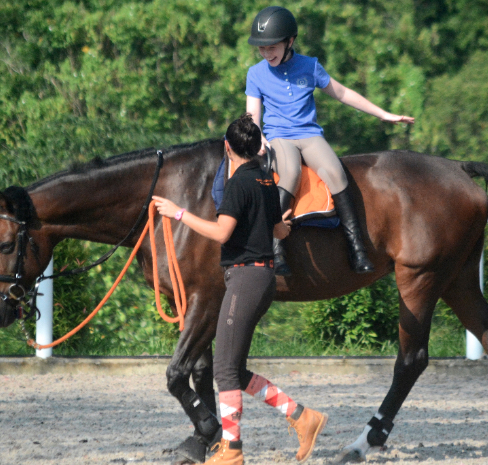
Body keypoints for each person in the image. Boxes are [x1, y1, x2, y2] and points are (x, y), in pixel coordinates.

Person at [153, 114, 328, 465]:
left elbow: (221, 234)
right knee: (233, 368)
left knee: (226, 370)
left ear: (227, 147)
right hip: (258, 279)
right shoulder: (266, 180)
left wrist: (177, 213)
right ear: (258, 147)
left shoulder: (237, 184)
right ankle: (302, 417)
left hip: (246, 279)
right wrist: (280, 225)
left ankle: (231, 451)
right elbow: (279, 231)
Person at [246, 6, 415, 276]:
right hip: (280, 136)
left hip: (309, 134)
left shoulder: (310, 66)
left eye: (272, 47)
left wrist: (383, 114)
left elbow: (342, 93)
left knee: (336, 172)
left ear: (290, 41)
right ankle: (275, 249)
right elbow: (252, 113)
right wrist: (259, 138)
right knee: (289, 173)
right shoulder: (256, 74)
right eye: (262, 49)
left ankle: (357, 249)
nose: (267, 54)